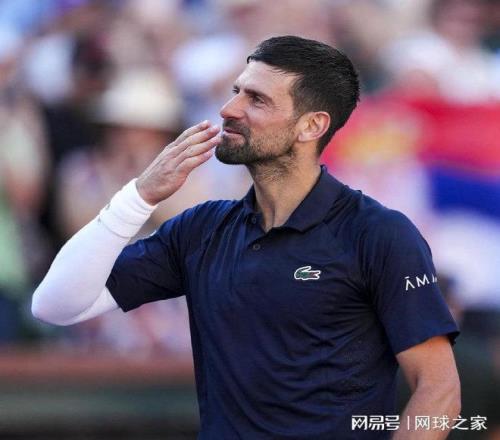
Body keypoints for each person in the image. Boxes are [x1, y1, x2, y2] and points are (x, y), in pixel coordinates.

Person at [32, 36, 461, 439]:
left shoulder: (378, 233)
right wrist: (139, 196)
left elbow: (439, 392)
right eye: (236, 91)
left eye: (256, 99)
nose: (228, 109)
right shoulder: (201, 229)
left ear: (311, 126)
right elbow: (55, 305)